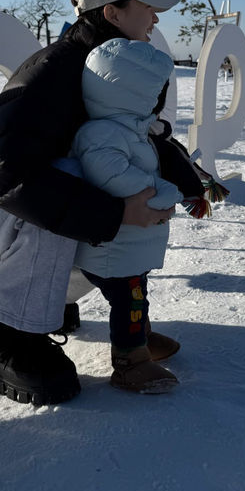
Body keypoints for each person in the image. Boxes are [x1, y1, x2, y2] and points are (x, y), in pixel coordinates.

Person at [0, 0, 183, 406]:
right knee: (73, 181)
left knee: (107, 185)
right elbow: (4, 174)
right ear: (113, 13)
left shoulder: (112, 73)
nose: (156, 17)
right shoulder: (56, 71)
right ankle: (7, 339)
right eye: (146, 6)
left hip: (3, 207)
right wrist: (118, 211)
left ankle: (56, 307)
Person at [68, 38, 184, 393]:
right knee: (129, 299)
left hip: (129, 244)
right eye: (155, 92)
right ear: (133, 93)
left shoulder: (130, 129)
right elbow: (112, 176)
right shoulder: (101, 133)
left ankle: (141, 337)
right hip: (113, 245)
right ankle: (130, 360)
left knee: (135, 294)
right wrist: (164, 190)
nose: (159, 100)